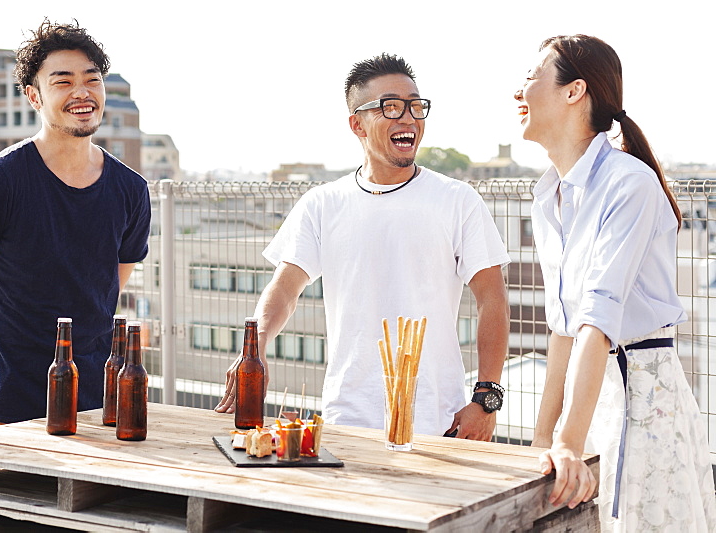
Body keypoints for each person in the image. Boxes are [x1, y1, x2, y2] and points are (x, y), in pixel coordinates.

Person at [215, 53, 511, 439]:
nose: (408, 118)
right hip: (347, 420)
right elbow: (285, 288)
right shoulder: (323, 203)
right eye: (390, 107)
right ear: (357, 124)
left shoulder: (457, 200)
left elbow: (493, 298)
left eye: (416, 106)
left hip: (438, 421)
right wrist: (256, 348)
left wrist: (486, 397)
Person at [519, 34, 716, 530]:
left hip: (640, 397)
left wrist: (567, 440)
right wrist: (545, 442)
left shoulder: (628, 183)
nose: (518, 90)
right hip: (589, 402)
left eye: (531, 75)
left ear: (574, 91)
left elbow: (598, 321)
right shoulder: (549, 197)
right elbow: (564, 332)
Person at [0, 19, 151, 427]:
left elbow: (106, 288)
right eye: (63, 81)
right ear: (34, 96)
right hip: (9, 406)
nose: (82, 92)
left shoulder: (131, 190)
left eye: (92, 79)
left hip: (96, 404)